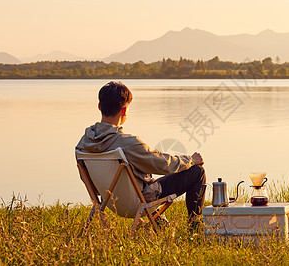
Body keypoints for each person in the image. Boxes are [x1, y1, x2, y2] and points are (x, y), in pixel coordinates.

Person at [76, 81, 206, 229]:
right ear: (124, 111)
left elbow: (87, 179)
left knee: (144, 180)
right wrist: (190, 160)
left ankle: (159, 222)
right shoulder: (127, 143)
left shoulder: (83, 143)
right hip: (137, 203)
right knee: (197, 172)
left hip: (109, 202)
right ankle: (194, 228)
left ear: (99, 107)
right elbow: (162, 164)